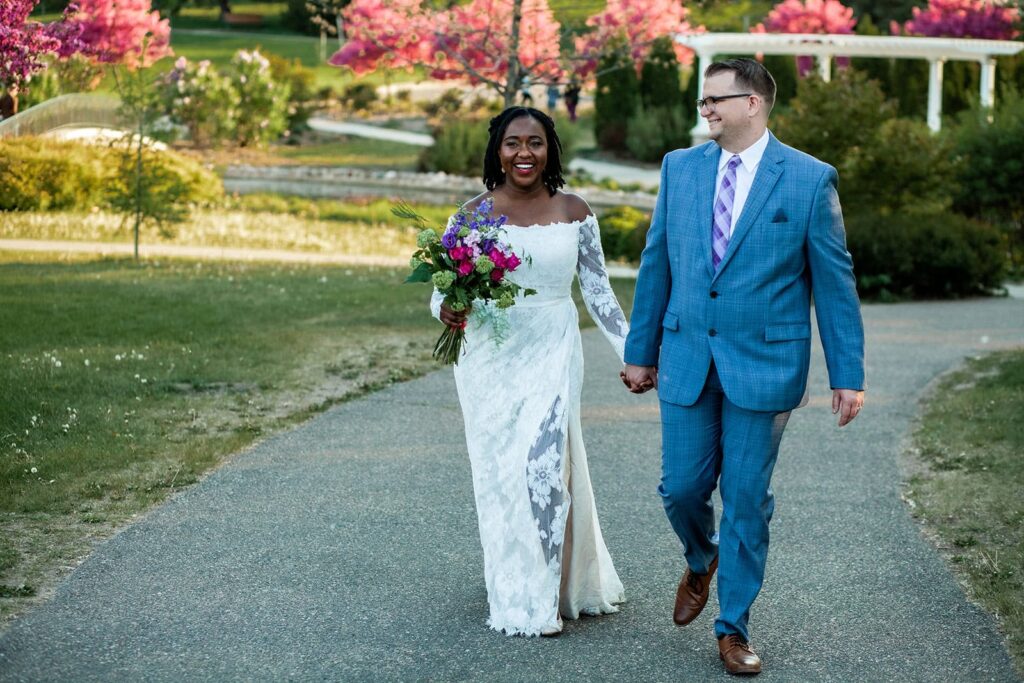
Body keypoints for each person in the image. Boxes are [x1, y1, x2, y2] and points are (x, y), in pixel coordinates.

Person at [622, 58, 865, 675]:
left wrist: (848, 374)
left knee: (747, 497)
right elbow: (657, 261)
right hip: (686, 356)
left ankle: (733, 628)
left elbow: (834, 282)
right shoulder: (679, 168)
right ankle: (702, 557)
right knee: (681, 488)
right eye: (702, 101)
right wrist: (640, 352)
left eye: (715, 99)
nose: (705, 109)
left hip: (766, 363)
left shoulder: (809, 179)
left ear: (752, 103)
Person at [432, 107, 627, 637]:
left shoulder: (573, 210)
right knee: (502, 474)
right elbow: (444, 289)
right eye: (513, 142)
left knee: (544, 466)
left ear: (550, 149)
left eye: (535, 142)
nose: (524, 153)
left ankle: (542, 596)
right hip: (490, 358)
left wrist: (632, 354)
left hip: (553, 347)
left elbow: (599, 294)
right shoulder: (473, 215)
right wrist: (446, 308)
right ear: (497, 150)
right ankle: (514, 582)